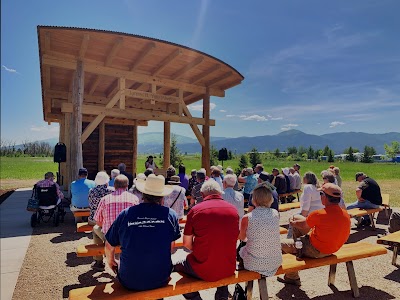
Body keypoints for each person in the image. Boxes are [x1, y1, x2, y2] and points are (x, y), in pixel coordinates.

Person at [105, 174, 180, 290]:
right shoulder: (171, 215)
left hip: (129, 279)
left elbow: (109, 245)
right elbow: (171, 247)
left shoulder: (126, 214)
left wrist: (111, 261)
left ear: (143, 195)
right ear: (162, 198)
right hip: (161, 277)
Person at [174, 180, 239, 300]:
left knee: (177, 270)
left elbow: (186, 244)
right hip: (228, 267)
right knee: (220, 269)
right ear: (220, 193)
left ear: (203, 195)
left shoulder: (196, 210)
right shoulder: (233, 210)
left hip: (203, 268)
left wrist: (200, 248)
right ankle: (222, 296)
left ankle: (195, 297)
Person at [279, 183, 351, 286]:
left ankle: (292, 275)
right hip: (332, 249)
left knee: (279, 244)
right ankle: (297, 250)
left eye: (321, 194)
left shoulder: (319, 214)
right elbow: (306, 224)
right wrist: (296, 219)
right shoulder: (345, 214)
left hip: (315, 250)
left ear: (324, 197)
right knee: (297, 221)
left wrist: (292, 222)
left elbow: (303, 225)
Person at [93, 175, 139, 270]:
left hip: (109, 238)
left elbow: (98, 222)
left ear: (114, 185)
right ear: (127, 186)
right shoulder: (134, 199)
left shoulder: (105, 199)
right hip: (128, 237)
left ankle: (99, 261)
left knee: (95, 229)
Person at [238, 183, 282, 276]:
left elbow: (242, 237)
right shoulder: (275, 213)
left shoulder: (247, 217)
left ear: (254, 200)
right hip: (276, 261)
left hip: (255, 264)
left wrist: (250, 239)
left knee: (242, 250)